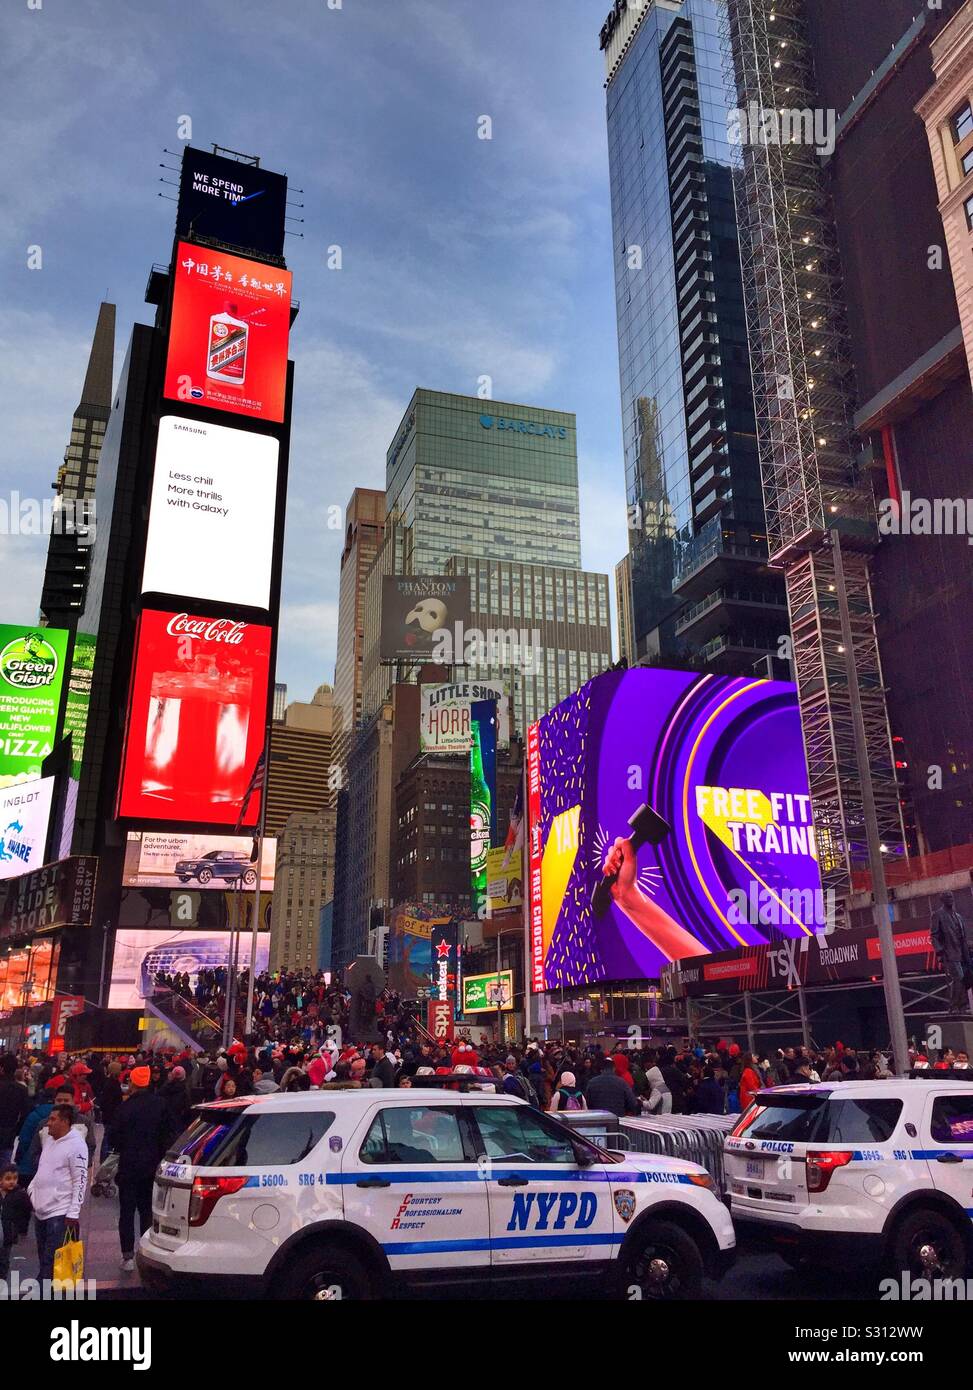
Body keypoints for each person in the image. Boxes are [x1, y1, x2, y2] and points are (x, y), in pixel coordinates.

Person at [108, 1065, 172, 1273]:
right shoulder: (161, 1105)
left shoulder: (124, 1108)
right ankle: (146, 1251)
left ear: (133, 1083)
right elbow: (169, 1136)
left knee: (126, 1212)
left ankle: (127, 1256)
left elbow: (114, 1137)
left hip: (128, 1167)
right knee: (147, 1211)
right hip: (152, 1167)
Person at [28, 1103, 87, 1284]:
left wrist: (73, 1212)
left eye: (53, 1119)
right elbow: (42, 1169)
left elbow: (81, 1180)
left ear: (65, 1121)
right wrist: (32, 1191)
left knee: (52, 1265)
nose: (49, 1123)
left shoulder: (77, 1145)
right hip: (41, 1212)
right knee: (44, 1261)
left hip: (60, 1214)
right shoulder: (49, 1140)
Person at [0, 1163, 31, 1280]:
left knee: (3, 1259)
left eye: (15, 1178)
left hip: (8, 1234)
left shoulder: (20, 1195)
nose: (12, 1182)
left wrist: (23, 1229)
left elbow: (26, 1212)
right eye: (8, 1179)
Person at [0, 1055, 30, 1169]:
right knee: (4, 1168)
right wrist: (17, 1129)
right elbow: (25, 1114)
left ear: (2, 1068)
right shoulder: (21, 1089)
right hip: (9, 1133)